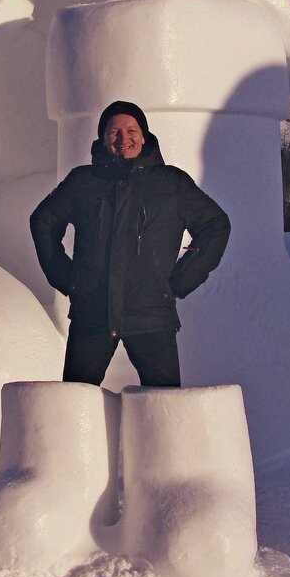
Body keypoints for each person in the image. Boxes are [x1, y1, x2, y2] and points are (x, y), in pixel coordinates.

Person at [30, 101, 230, 387]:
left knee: (163, 408)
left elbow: (215, 225)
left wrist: (180, 280)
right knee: (75, 404)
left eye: (131, 130)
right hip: (92, 314)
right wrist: (69, 279)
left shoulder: (171, 182)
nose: (124, 139)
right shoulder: (83, 181)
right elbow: (43, 221)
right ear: (102, 138)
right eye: (114, 132)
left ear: (144, 135)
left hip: (152, 317)